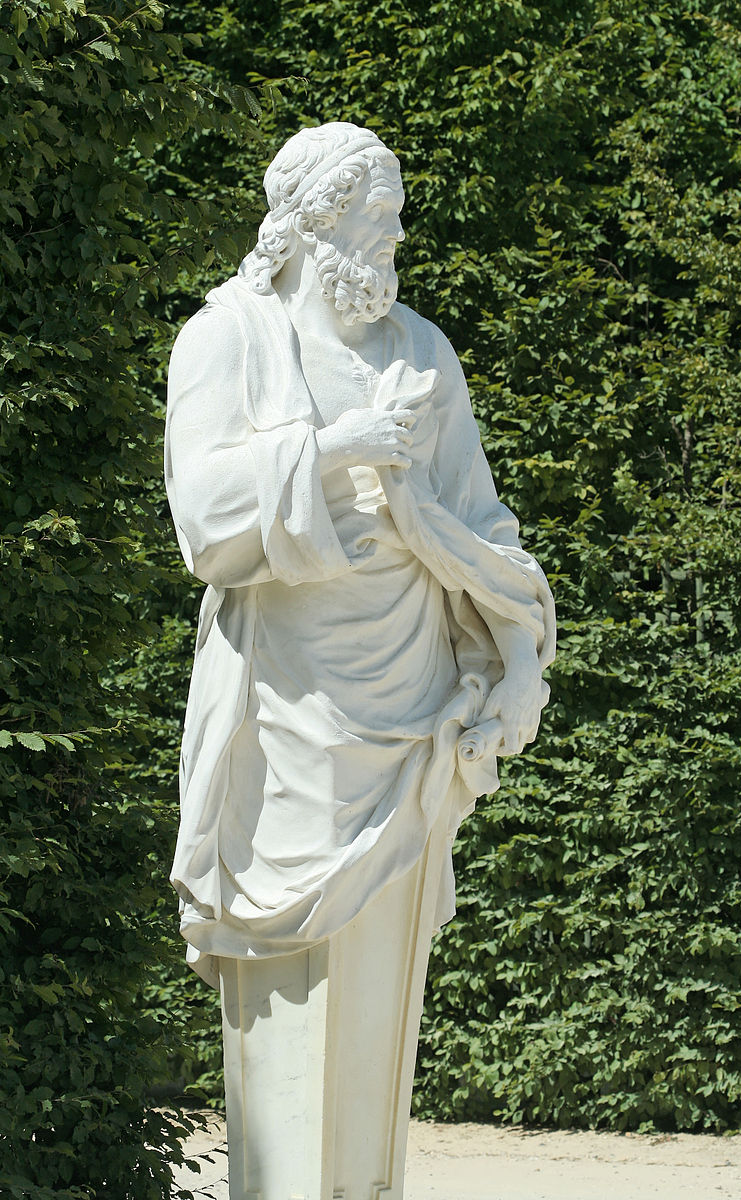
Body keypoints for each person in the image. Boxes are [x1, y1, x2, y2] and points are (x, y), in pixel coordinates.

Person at [165, 120, 556, 989]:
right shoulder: (228, 339)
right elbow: (202, 519)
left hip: (414, 717)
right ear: (317, 219)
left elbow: (485, 530)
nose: (398, 236)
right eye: (382, 215)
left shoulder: (422, 354)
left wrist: (522, 656)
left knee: (385, 994)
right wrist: (334, 448)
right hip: (284, 717)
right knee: (287, 1001)